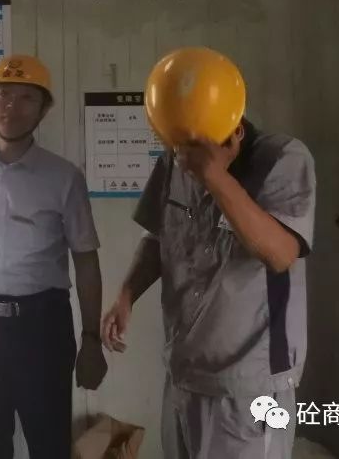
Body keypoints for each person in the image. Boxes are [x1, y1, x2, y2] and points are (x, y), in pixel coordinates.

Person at [101, 47, 316, 459]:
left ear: (233, 125)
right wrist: (126, 295)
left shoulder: (282, 159)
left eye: (197, 146)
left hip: (249, 387)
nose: (187, 155)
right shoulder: (175, 159)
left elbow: (280, 254)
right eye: (180, 146)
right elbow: (159, 236)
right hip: (184, 375)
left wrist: (213, 175)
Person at [0, 54, 107, 459]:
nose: (12, 106)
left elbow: (86, 260)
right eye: (4, 95)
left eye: (27, 98)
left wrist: (91, 340)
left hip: (43, 327)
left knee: (49, 444)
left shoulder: (63, 177)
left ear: (43, 110)